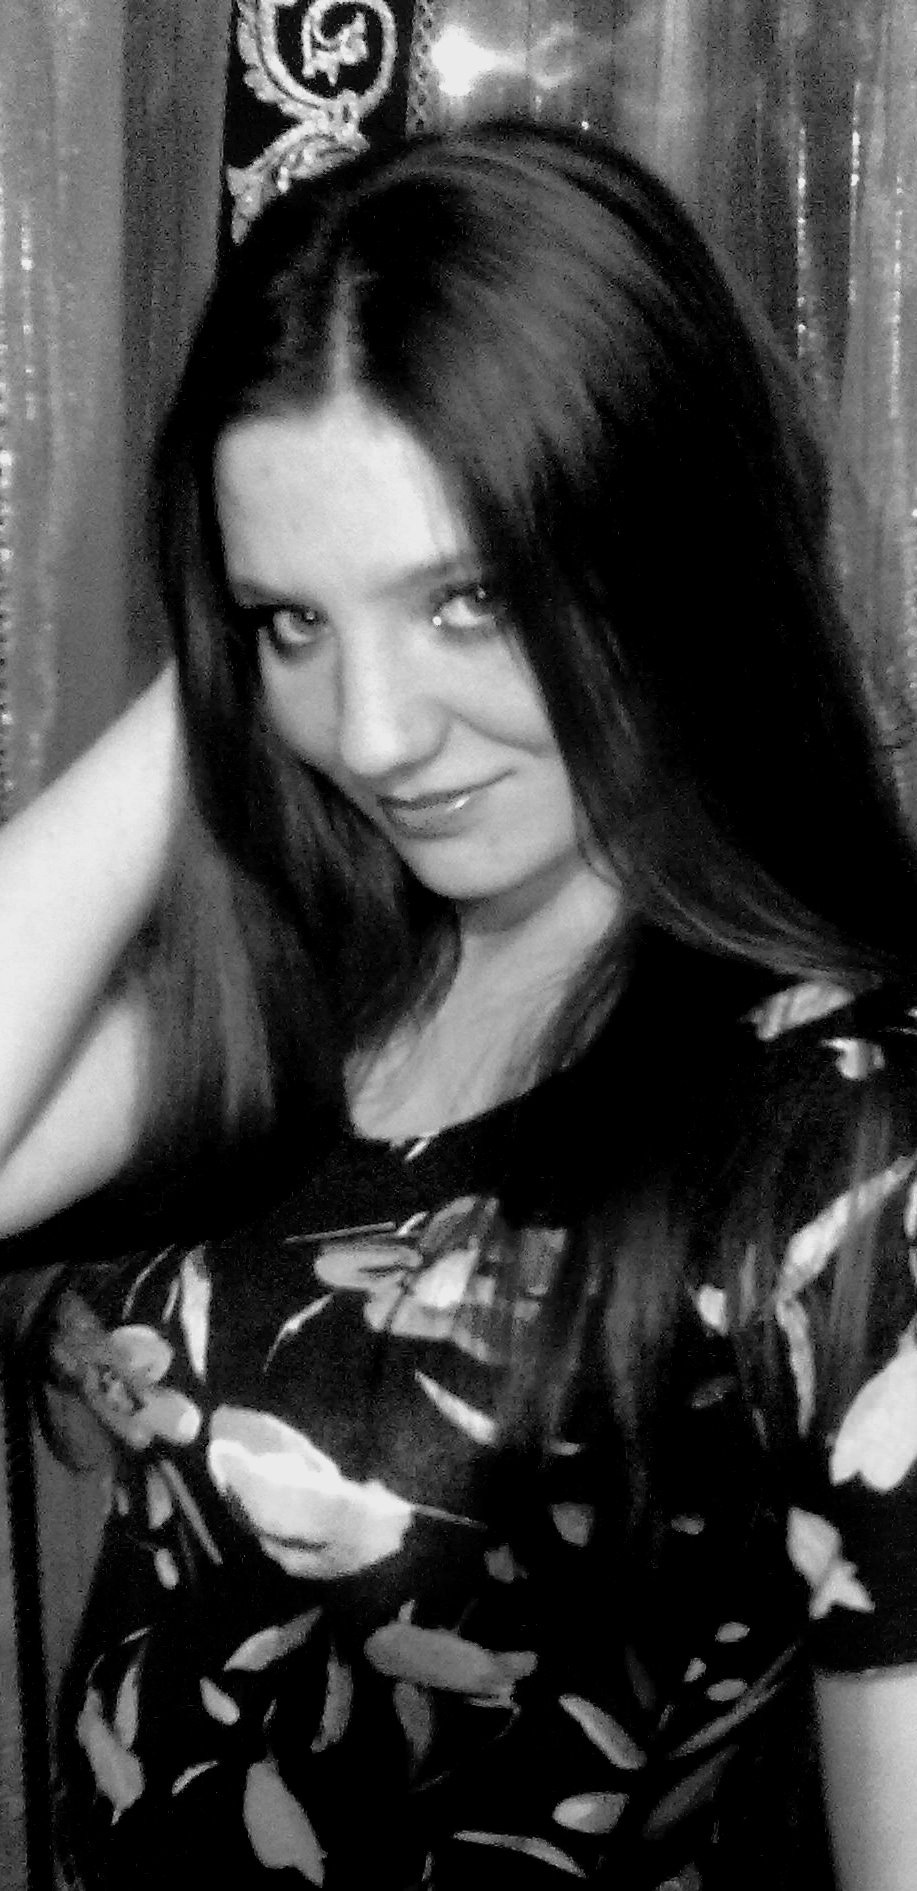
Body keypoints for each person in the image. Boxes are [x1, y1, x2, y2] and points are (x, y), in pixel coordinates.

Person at [2, 118, 917, 1891]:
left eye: (468, 598)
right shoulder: (333, 967)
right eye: (291, 626)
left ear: (674, 549)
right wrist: (224, 666)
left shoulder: (853, 1137)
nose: (371, 736)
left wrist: (310, 598)